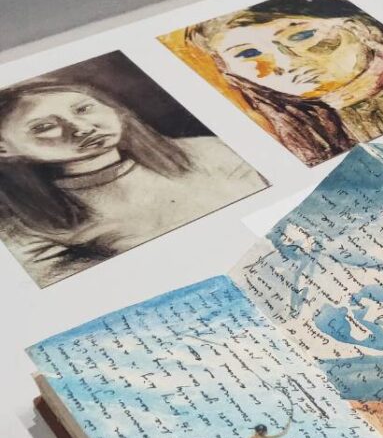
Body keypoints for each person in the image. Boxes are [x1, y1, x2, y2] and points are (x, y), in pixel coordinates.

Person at [0, 77, 265, 285]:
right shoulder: (23, 229)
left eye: (83, 109)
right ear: (4, 148)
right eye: (44, 127)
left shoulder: (211, 151)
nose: (82, 128)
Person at [174, 0, 383, 166]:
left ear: (357, 27)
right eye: (248, 54)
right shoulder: (305, 131)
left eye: (302, 35)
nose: (285, 63)